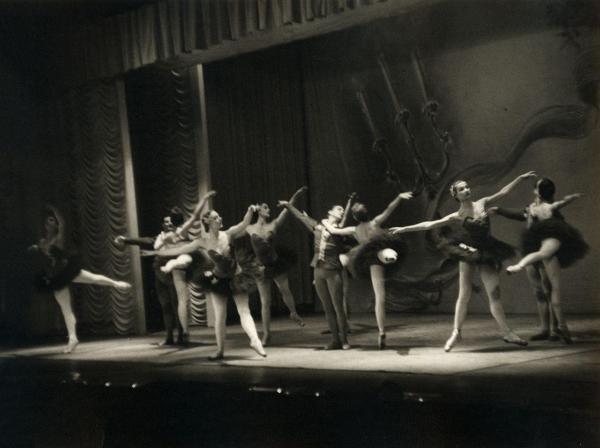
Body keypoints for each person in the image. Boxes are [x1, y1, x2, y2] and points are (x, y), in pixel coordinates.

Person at [391, 172, 536, 351]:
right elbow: (428, 225)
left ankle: (507, 332)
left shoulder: (482, 203)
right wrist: (403, 229)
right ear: (456, 195)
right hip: (467, 252)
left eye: (467, 187)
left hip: (487, 251)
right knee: (464, 294)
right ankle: (456, 332)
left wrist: (519, 178)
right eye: (462, 189)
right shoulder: (456, 216)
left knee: (495, 293)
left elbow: (502, 192)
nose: (466, 190)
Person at [143, 204, 266, 360]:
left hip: (236, 278)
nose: (220, 219)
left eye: (219, 216)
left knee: (244, 311)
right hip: (218, 280)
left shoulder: (228, 234)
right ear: (208, 221)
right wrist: (154, 252)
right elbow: (178, 251)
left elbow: (244, 223)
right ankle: (220, 351)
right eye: (216, 217)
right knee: (220, 316)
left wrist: (249, 210)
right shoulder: (201, 242)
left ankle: (255, 341)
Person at [29, 205, 131, 353]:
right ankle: (72, 338)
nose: (48, 223)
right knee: (66, 309)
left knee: (94, 278)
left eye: (52, 221)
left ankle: (116, 283)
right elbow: (40, 257)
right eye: (47, 221)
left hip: (66, 271)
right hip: (55, 277)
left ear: (55, 224)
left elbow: (62, 224)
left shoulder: (58, 238)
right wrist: (35, 250)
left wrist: (55, 210)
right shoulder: (42, 241)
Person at [320, 191, 413, 349]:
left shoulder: (354, 230)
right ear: (367, 213)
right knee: (381, 290)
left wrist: (325, 223)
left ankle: (382, 331)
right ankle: (382, 331)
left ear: (355, 217)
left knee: (380, 296)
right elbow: (389, 209)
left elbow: (335, 231)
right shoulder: (375, 223)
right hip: (376, 257)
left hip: (370, 261)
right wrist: (399, 197)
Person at [504, 178, 588, 343]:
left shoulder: (550, 209)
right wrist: (499, 210)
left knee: (548, 288)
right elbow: (519, 214)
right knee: (538, 291)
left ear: (538, 191)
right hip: (531, 249)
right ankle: (544, 328)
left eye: (536, 189)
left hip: (544, 249)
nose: (534, 191)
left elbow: (556, 223)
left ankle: (554, 329)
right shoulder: (531, 208)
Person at [279, 196, 351, 350]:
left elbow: (344, 220)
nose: (341, 211)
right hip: (318, 270)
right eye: (339, 209)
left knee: (338, 306)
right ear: (330, 212)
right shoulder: (318, 226)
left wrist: (349, 204)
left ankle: (344, 340)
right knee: (327, 307)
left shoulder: (339, 229)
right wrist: (288, 206)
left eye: (343, 210)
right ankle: (335, 340)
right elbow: (301, 217)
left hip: (333, 270)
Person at [244, 186, 307, 346]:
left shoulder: (273, 225)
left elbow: (286, 210)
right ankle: (266, 334)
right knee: (265, 301)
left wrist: (296, 195)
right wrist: (251, 210)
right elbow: (240, 227)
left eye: (268, 208)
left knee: (285, 290)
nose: (269, 210)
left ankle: (293, 313)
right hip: (261, 267)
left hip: (275, 264)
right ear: (260, 210)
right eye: (266, 208)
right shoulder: (249, 228)